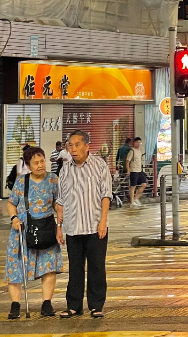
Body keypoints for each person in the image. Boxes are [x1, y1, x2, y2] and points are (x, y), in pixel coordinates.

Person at [56, 130, 112, 319]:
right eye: (70, 145)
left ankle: (96, 305)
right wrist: (59, 227)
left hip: (95, 226)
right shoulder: (65, 169)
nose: (73, 149)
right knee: (75, 268)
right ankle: (74, 306)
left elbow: (106, 195)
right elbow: (61, 200)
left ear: (87, 146)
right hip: (73, 227)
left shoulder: (99, 165)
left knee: (97, 267)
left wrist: (103, 221)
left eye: (77, 145)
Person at [6, 147, 62, 319]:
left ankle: (47, 303)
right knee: (16, 267)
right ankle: (15, 305)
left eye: (42, 161)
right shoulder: (21, 181)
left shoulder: (53, 179)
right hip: (23, 229)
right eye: (36, 163)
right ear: (29, 166)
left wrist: (59, 211)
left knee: (49, 267)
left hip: (46, 226)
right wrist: (14, 218)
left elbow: (56, 202)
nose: (40, 165)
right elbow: (11, 203)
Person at [127, 137, 146, 207]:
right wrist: (128, 170)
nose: (138, 144)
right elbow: (127, 161)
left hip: (139, 170)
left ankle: (135, 198)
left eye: (139, 142)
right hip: (133, 171)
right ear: (134, 143)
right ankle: (132, 202)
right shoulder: (132, 151)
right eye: (137, 142)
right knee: (133, 186)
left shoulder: (139, 151)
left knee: (144, 184)